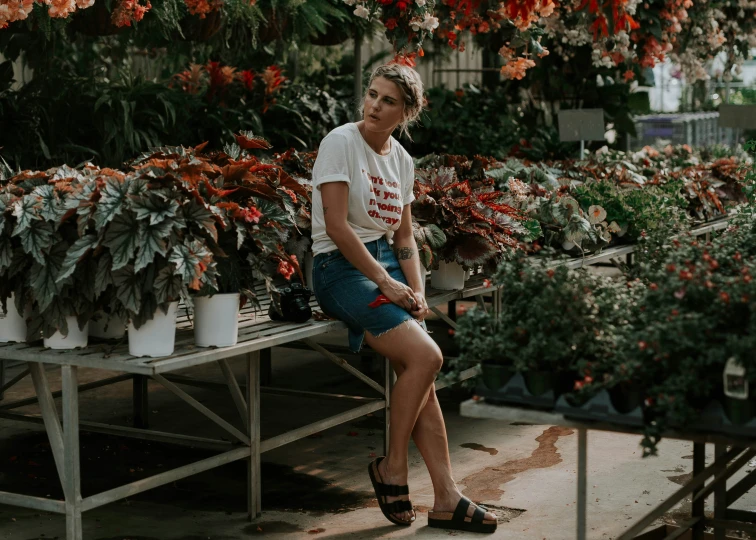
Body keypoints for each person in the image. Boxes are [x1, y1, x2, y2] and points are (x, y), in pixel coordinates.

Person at [309, 62, 498, 534]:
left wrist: (418, 292)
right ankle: (393, 468)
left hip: (386, 267)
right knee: (427, 358)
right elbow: (335, 226)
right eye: (371, 94)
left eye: (388, 100)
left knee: (422, 367)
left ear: (407, 111)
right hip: (340, 267)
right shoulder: (341, 142)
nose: (374, 105)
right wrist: (387, 283)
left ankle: (446, 496)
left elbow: (406, 239)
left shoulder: (402, 160)